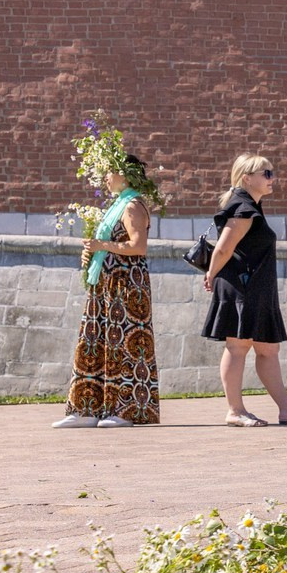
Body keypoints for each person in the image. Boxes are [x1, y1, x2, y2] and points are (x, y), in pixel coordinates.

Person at [203, 153, 287, 427]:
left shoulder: (250, 205)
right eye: (266, 173)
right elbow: (225, 247)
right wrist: (211, 274)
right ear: (246, 177)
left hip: (256, 287)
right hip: (243, 286)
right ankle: (235, 410)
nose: (272, 178)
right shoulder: (243, 207)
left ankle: (286, 410)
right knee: (238, 346)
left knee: (268, 349)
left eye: (272, 172)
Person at [55, 148, 161, 429]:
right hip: (106, 284)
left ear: (124, 176)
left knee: (123, 344)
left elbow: (138, 246)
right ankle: (86, 408)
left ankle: (124, 410)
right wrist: (92, 254)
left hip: (126, 286)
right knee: (95, 341)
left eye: (109, 172)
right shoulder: (116, 206)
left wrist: (103, 246)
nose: (104, 177)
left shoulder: (132, 206)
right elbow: (108, 244)